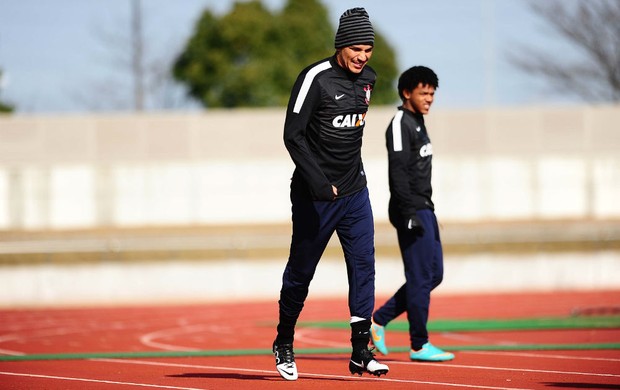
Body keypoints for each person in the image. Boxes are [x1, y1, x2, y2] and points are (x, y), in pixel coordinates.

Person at [272, 7, 389, 381]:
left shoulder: (368, 80)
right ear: (341, 45)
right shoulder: (314, 78)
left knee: (363, 265)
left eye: (368, 49)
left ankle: (360, 350)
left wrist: (349, 177)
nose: (362, 57)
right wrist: (320, 183)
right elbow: (293, 135)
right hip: (315, 196)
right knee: (301, 273)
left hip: (355, 192)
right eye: (356, 48)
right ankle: (284, 339)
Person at [370, 66, 454, 362]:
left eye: (432, 93)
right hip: (409, 209)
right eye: (423, 93)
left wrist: (429, 212)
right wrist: (409, 212)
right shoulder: (399, 123)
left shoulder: (418, 121)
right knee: (420, 276)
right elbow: (398, 172)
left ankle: (378, 320)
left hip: (425, 208)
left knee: (434, 275)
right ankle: (419, 343)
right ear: (407, 93)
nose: (429, 98)